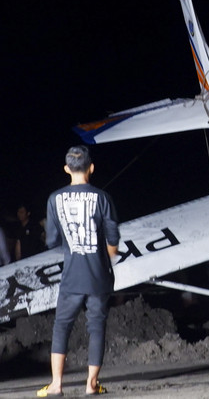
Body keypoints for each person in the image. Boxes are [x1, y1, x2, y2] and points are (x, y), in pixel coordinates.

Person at [37, 145, 120, 397]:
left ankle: (56, 385)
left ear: (66, 169)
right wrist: (108, 254)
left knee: (62, 327)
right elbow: (113, 238)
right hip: (98, 276)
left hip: (71, 276)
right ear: (91, 168)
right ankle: (91, 385)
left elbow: (51, 241)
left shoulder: (54, 199)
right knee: (96, 327)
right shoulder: (102, 198)